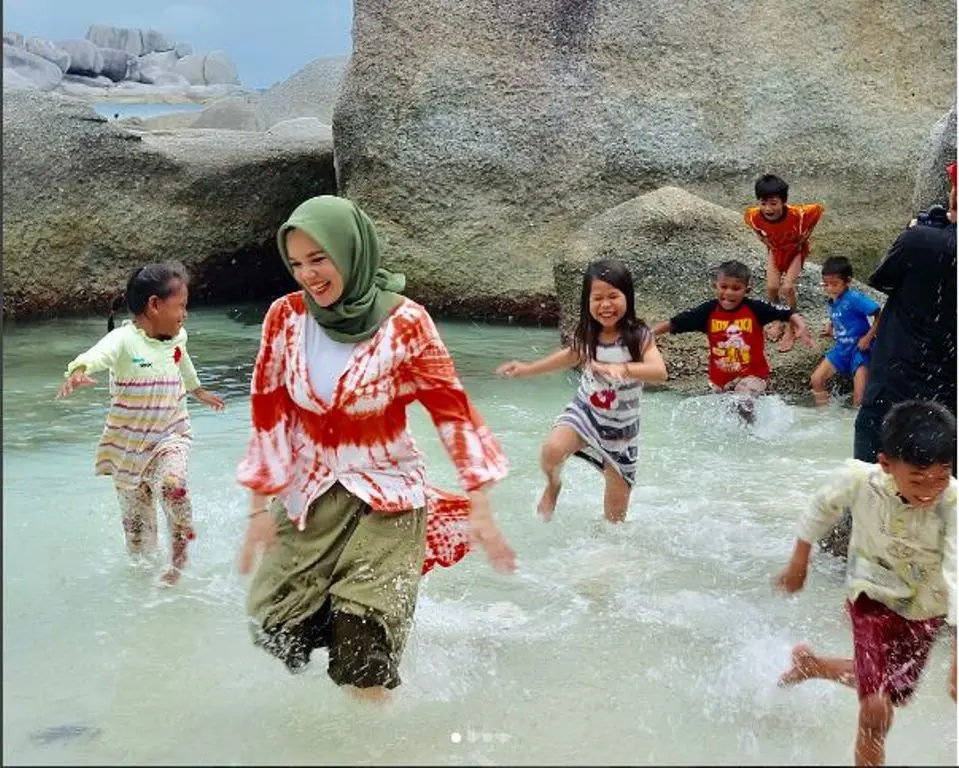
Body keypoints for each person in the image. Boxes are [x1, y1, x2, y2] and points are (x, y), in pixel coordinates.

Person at [235, 195, 516, 705]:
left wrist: (481, 502)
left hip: (387, 491)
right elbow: (268, 410)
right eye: (296, 263)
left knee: (361, 638)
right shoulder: (284, 317)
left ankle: (377, 735)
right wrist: (259, 505)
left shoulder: (405, 322)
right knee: (274, 626)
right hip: (310, 491)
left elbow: (452, 410)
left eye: (319, 260)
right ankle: (355, 619)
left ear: (351, 251)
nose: (309, 276)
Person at [776, 400, 957, 767]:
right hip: (871, 595)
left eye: (941, 478)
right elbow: (820, 507)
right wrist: (799, 560)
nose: (929, 491)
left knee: (895, 696)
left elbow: (957, 570)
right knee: (876, 712)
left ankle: (815, 667)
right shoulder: (860, 481)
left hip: (927, 607)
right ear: (886, 465)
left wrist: (956, 654)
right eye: (918, 480)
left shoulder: (952, 502)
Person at [57, 262, 225, 585]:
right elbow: (98, 353)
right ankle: (144, 599)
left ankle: (179, 561)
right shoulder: (123, 341)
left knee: (173, 486)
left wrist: (198, 389)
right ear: (154, 305)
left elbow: (182, 360)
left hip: (169, 436)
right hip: (127, 450)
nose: (185, 315)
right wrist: (79, 370)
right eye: (181, 306)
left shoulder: (178, 337)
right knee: (139, 546)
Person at [496, 259, 667, 523]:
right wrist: (528, 369)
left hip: (621, 432)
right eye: (597, 298)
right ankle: (553, 486)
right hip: (585, 413)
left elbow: (659, 371)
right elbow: (568, 357)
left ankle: (605, 554)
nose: (606, 305)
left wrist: (624, 369)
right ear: (587, 302)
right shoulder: (589, 335)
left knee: (615, 520)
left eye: (613, 296)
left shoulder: (638, 335)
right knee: (552, 450)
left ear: (627, 298)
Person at [651, 260, 814, 422]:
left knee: (742, 400)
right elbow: (676, 322)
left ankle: (752, 434)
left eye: (736, 288)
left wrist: (801, 328)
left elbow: (788, 312)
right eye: (724, 287)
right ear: (716, 286)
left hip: (753, 375)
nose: (729, 293)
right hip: (720, 379)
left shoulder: (755, 309)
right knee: (727, 416)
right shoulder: (707, 311)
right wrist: (650, 334)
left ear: (746, 290)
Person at [744, 174, 825, 352]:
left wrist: (806, 236)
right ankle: (777, 319)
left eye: (773, 203)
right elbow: (750, 220)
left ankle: (791, 325)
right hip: (776, 250)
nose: (768, 208)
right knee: (772, 288)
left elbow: (818, 209)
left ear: (784, 202)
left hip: (796, 250)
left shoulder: (798, 214)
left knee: (787, 288)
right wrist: (762, 239)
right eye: (763, 203)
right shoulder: (754, 216)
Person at [811, 256, 881, 407]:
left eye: (834, 284)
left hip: (859, 351)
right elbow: (837, 314)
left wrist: (868, 338)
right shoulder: (833, 300)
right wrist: (830, 327)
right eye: (826, 284)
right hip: (841, 349)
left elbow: (879, 314)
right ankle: (823, 417)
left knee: (859, 401)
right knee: (816, 380)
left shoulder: (854, 298)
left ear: (848, 281)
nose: (829, 289)